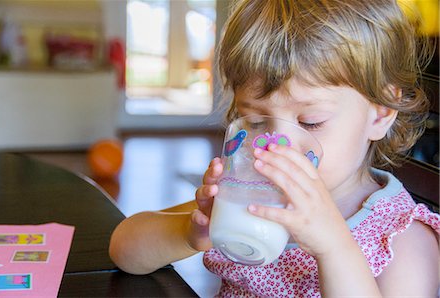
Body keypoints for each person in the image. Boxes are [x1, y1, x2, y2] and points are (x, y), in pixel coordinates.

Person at [109, 0, 440, 296]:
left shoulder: (403, 240)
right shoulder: (250, 194)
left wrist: (333, 247)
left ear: (380, 113)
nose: (275, 148)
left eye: (310, 122)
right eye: (255, 121)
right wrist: (188, 232)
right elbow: (123, 250)